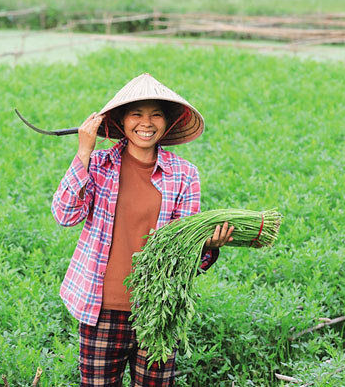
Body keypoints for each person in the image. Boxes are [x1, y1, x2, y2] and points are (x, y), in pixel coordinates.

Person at [51, 73, 234, 386]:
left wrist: (209, 246)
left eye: (156, 114)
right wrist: (84, 150)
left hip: (157, 309)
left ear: (168, 123)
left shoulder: (184, 174)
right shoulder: (98, 165)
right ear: (121, 122)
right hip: (102, 307)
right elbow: (65, 214)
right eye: (136, 114)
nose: (146, 123)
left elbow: (183, 252)